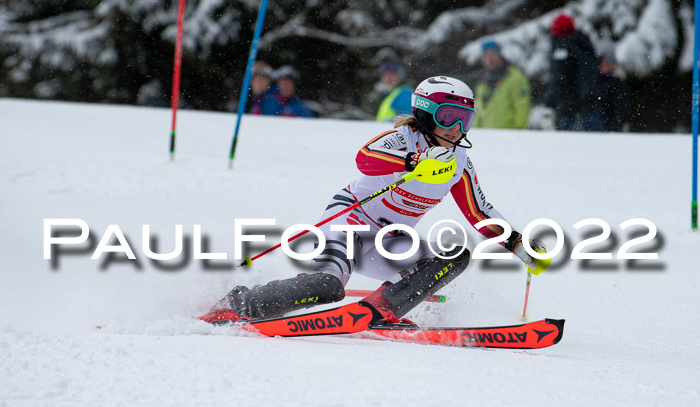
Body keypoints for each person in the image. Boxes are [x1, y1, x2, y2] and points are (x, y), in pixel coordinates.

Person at [212, 76, 549, 323]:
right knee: (329, 285)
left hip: (389, 241)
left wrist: (517, 244)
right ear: (427, 113)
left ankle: (383, 308)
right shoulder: (403, 139)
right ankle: (238, 303)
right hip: (348, 223)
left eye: (466, 120)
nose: (457, 129)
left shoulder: (458, 160)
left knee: (456, 256)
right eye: (449, 118)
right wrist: (413, 163)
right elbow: (364, 158)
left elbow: (479, 212)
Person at [545, 13, 602, 131]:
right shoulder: (581, 43)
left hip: (570, 103)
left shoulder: (562, 46)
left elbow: (559, 77)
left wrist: (553, 97)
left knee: (568, 142)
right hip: (580, 102)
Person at [473, 40, 531, 129]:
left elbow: (522, 106)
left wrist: (519, 133)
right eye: (486, 55)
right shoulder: (483, 81)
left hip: (508, 136)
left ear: (499, 55)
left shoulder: (514, 77)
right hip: (486, 135)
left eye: (492, 54)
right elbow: (478, 110)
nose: (489, 58)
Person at [599, 52, 630, 132]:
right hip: (601, 121)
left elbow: (621, 105)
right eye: (602, 63)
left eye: (606, 63)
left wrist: (617, 123)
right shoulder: (598, 80)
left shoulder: (618, 82)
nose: (603, 66)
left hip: (613, 123)